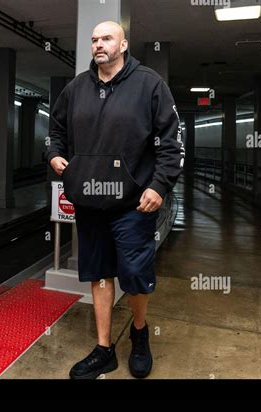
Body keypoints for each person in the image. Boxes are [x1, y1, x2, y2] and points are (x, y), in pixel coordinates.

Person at [47, 21, 184, 379]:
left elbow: (172, 141)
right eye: (94, 40)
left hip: (133, 204)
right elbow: (56, 129)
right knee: (99, 272)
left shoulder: (150, 84)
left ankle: (139, 333)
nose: (98, 45)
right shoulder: (77, 88)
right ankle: (104, 349)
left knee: (135, 275)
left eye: (106, 38)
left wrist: (159, 185)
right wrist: (54, 154)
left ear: (123, 44)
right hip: (90, 200)